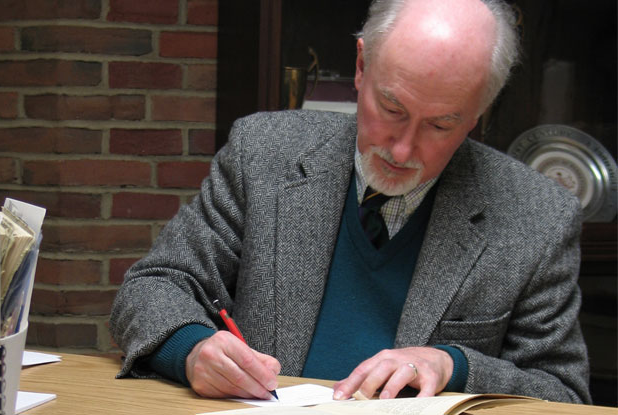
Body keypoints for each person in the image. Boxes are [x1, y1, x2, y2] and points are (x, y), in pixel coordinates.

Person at [110, 0, 591, 404]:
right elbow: (153, 287)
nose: (402, 150)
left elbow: (564, 395)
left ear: (478, 114)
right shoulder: (264, 152)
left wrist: (455, 365)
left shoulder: (538, 217)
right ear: (361, 66)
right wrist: (192, 349)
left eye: (441, 125)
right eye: (392, 109)